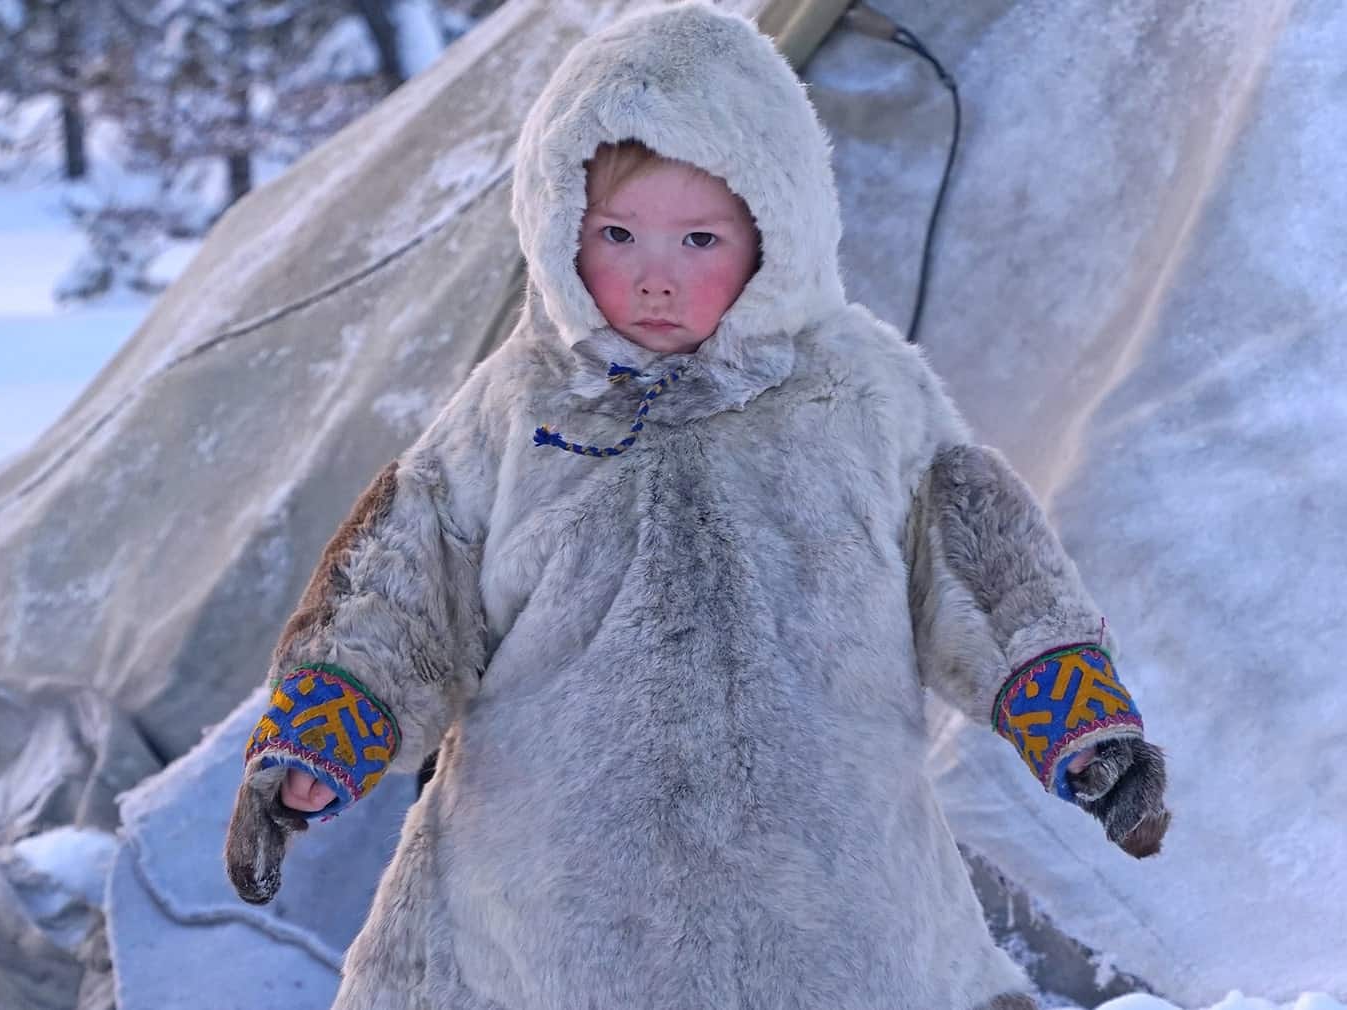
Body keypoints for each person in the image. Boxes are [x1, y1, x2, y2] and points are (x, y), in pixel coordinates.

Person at [224, 4, 1170, 1008]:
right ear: (555, 224)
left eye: (698, 238)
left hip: (827, 904)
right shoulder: (515, 408)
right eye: (616, 234)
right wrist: (323, 735)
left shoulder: (862, 398)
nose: (654, 277)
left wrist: (1073, 718)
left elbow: (985, 571)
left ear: (776, 231)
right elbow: (401, 591)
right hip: (558, 910)